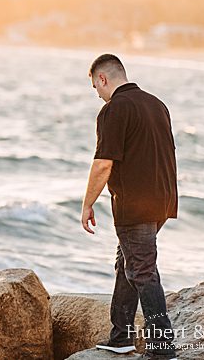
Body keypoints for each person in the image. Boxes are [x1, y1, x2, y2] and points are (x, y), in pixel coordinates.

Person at [81, 54, 179, 360]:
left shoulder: (114, 109)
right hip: (162, 199)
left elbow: (103, 164)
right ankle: (121, 336)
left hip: (135, 204)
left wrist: (87, 205)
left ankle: (162, 348)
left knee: (142, 270)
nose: (97, 93)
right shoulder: (156, 104)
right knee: (129, 263)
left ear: (103, 79)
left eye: (95, 86)